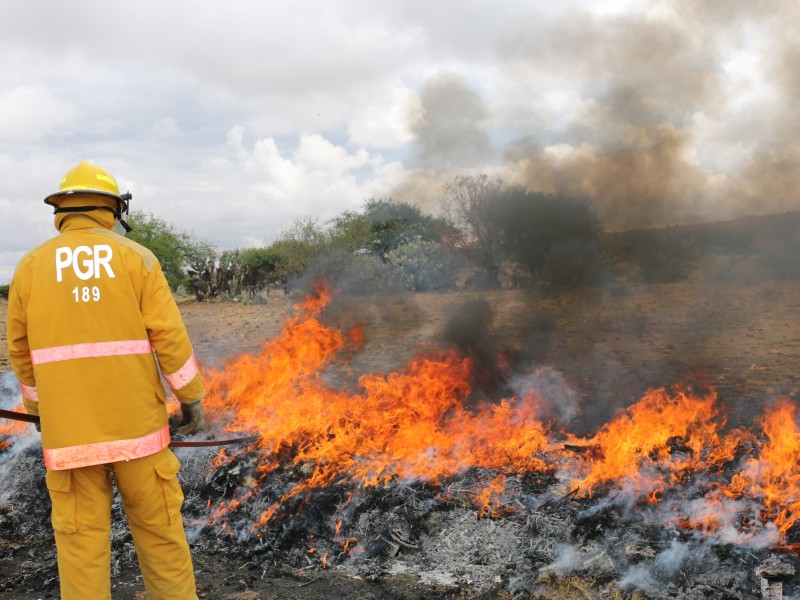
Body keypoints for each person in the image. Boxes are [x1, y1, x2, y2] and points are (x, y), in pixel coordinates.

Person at [5, 160, 207, 599]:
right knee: (161, 534)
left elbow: (19, 351)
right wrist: (191, 398)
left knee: (80, 545)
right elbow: (169, 338)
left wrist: (41, 411)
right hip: (139, 432)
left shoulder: (31, 266)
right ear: (113, 209)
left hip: (70, 435)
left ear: (61, 210)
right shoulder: (137, 259)